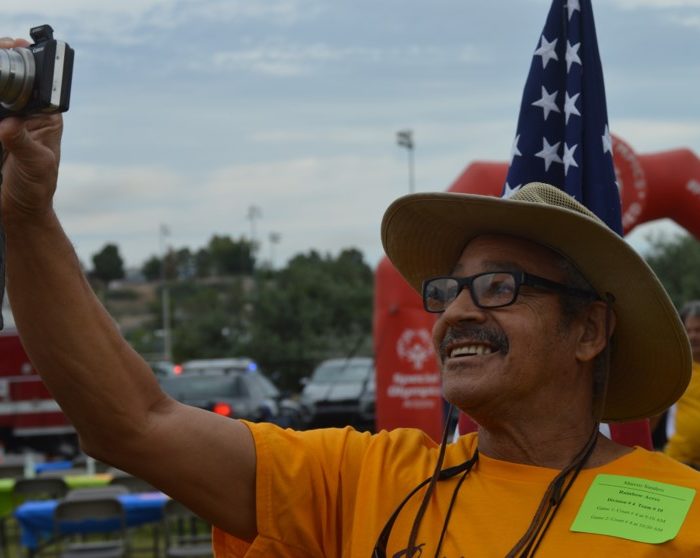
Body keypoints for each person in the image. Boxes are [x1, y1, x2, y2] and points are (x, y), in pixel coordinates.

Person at [2, 36, 700, 557]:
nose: (457, 311)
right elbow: (133, 423)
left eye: (497, 287)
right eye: (448, 289)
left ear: (590, 331)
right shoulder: (369, 479)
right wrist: (29, 215)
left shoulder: (684, 513)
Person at [663, 300, 700, 467]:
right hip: (679, 462)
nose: (693, 336)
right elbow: (654, 415)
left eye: (698, 330)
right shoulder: (677, 369)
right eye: (689, 330)